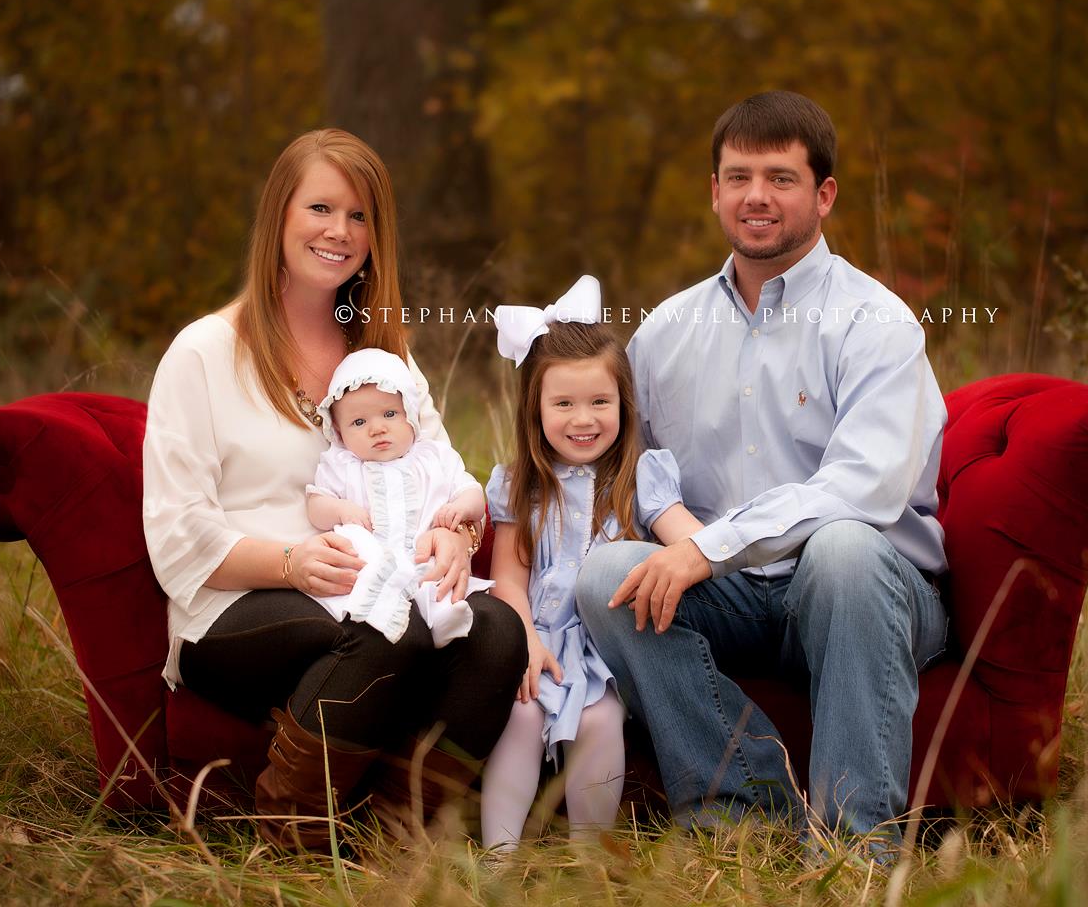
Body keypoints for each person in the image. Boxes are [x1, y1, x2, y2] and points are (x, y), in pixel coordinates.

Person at [574, 91, 949, 852]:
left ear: (824, 194)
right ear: (713, 190)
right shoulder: (665, 332)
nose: (756, 196)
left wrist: (707, 548)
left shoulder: (876, 324)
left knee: (842, 547)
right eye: (738, 176)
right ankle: (746, 811)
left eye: (780, 178)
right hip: (733, 595)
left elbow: (865, 490)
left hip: (867, 593)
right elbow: (630, 466)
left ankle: (852, 848)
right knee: (605, 575)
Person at [141, 129, 525, 853]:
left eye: (359, 216)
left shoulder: (383, 357)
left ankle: (395, 838)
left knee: (496, 630)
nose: (338, 232)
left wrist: (455, 532)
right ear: (279, 217)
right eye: (320, 207)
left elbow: (442, 468)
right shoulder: (204, 352)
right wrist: (290, 563)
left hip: (374, 581)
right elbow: (177, 535)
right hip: (235, 603)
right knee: (381, 621)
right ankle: (292, 834)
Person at [479, 276, 704, 852]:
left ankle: (589, 864)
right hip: (537, 638)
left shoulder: (641, 478)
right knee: (521, 716)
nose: (584, 419)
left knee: (602, 721)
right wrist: (523, 639)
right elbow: (509, 576)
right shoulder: (521, 484)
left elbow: (693, 540)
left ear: (623, 405)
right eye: (564, 404)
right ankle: (498, 860)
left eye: (600, 402)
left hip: (606, 646)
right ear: (536, 408)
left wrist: (727, 547)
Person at [305, 346, 491, 647]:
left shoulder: (433, 457)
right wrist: (339, 510)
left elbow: (471, 491)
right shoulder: (341, 464)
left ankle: (445, 618)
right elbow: (315, 505)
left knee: (436, 578)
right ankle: (377, 610)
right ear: (338, 430)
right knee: (356, 548)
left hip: (424, 552)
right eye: (359, 422)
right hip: (372, 557)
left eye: (389, 414)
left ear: (411, 415)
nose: (377, 429)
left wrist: (460, 508)